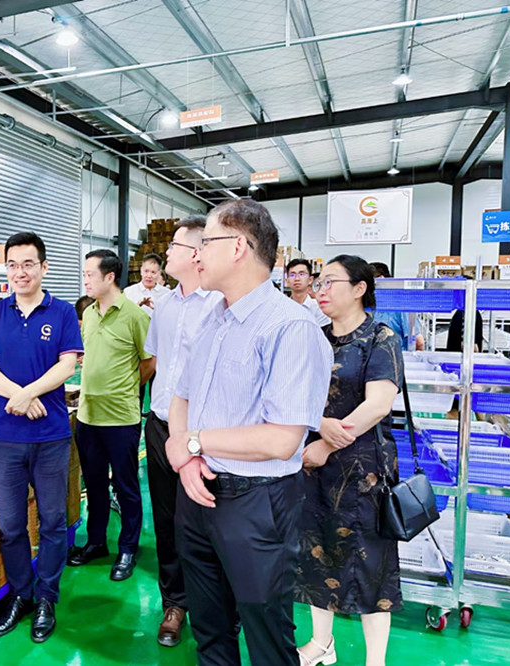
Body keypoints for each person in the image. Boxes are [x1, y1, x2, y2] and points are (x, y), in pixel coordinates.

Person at [165, 199, 332, 666]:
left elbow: (281, 439)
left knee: (266, 631)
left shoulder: (290, 327)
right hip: (198, 491)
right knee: (210, 627)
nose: (197, 254)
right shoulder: (212, 318)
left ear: (238, 246)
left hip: (257, 503)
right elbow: (182, 395)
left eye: (206, 242)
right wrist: (188, 460)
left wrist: (193, 442)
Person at [295, 256, 405, 666]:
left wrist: (326, 443)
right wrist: (318, 424)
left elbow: (378, 404)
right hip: (314, 468)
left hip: (363, 472)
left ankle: (375, 660)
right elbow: (296, 395)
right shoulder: (314, 337)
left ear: (360, 289)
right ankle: (321, 643)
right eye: (319, 283)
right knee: (316, 552)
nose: (320, 291)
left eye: (330, 282)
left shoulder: (380, 338)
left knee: (371, 563)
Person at [0, 232, 83, 643]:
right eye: (12, 265)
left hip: (51, 436)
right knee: (11, 523)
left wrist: (28, 393)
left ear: (44, 267)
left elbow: (67, 366)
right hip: (5, 437)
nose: (20, 272)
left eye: (28, 264)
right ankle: (21, 594)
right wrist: (17, 396)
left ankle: (46, 598)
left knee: (53, 521)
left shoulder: (62, 313)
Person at [143, 214, 221, 648]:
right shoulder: (166, 305)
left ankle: (216, 606)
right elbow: (156, 363)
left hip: (205, 433)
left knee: (207, 522)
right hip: (160, 425)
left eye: (174, 245)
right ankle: (174, 603)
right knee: (167, 519)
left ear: (196, 253)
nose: (166, 252)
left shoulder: (219, 305)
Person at [68, 249, 153, 581]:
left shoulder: (135, 316)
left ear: (110, 277)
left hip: (121, 418)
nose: (85, 280)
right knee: (94, 485)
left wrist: (126, 388)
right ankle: (96, 542)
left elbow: (149, 361)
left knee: (126, 486)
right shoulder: (88, 314)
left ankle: (128, 547)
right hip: (88, 416)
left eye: (90, 274)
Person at [369, 262, 425, 351]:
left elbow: (418, 342)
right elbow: (419, 343)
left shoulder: (400, 305)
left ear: (381, 279)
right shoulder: (401, 305)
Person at [124, 252, 170, 317]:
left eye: (153, 272)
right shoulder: (128, 292)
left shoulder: (167, 294)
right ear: (141, 270)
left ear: (159, 273)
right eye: (146, 271)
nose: (149, 276)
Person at [445, 276, 484, 353]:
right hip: (461, 354)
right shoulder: (467, 311)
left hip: (461, 355)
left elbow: (473, 346)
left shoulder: (465, 312)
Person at [286, 258, 330, 326]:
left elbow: (323, 331)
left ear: (310, 280)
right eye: (292, 275)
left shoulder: (319, 307)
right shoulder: (281, 308)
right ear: (287, 281)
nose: (297, 278)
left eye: (301, 274)